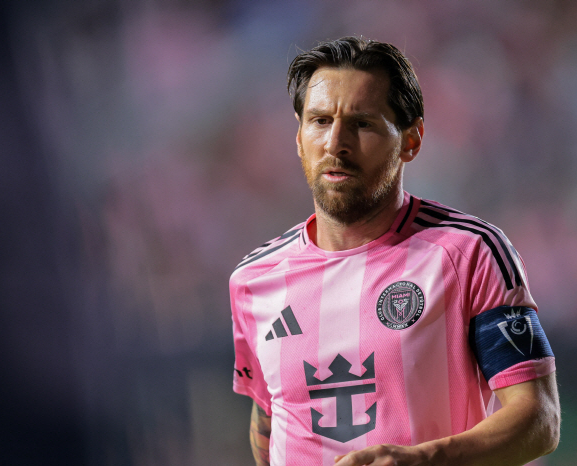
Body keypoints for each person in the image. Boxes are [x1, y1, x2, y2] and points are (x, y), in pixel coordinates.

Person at [230, 36, 560, 466]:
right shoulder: (254, 279)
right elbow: (270, 421)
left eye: (362, 123)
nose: (336, 143)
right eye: (320, 121)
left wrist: (424, 460)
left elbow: (539, 419)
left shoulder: (469, 253)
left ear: (411, 140)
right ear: (298, 137)